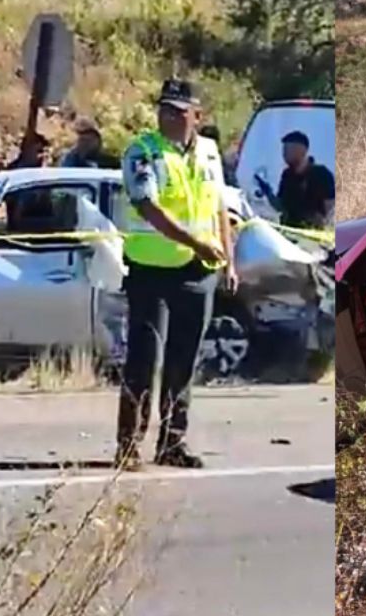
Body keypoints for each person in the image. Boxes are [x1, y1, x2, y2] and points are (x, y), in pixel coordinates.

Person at [115, 78, 237, 470]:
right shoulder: (142, 152)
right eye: (164, 109)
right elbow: (148, 207)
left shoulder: (209, 153)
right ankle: (128, 446)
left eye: (178, 112)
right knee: (144, 360)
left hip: (197, 271)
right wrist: (198, 243)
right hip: (151, 270)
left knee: (183, 361)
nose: (168, 117)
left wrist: (228, 260)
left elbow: (219, 206)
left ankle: (172, 442)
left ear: (197, 117)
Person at [254, 131, 335, 229]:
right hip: (290, 232)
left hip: (314, 235)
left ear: (302, 151)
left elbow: (331, 209)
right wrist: (268, 192)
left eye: (288, 150)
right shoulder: (287, 175)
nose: (284, 155)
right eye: (284, 151)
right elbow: (282, 207)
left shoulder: (321, 174)